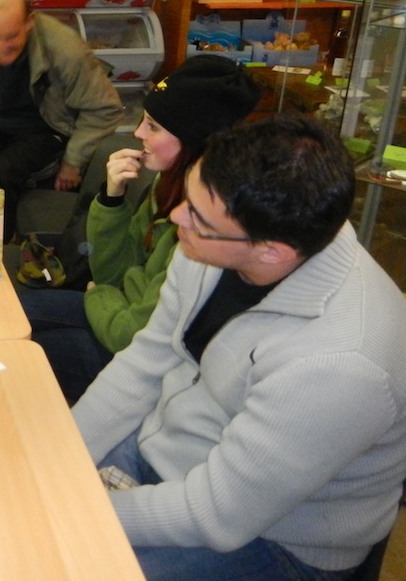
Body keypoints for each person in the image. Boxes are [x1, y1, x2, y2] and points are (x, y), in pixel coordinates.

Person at [72, 114, 406, 581]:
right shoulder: (218, 240)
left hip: (275, 538)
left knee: (61, 559)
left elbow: (214, 515)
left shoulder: (342, 364)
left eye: (198, 217)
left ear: (271, 252)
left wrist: (72, 511)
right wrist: (64, 462)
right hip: (172, 448)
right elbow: (145, 361)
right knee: (25, 494)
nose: (176, 217)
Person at [19, 55, 260, 403]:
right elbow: (113, 272)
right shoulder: (167, 183)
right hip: (117, 313)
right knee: (14, 316)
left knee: (24, 357)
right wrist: (111, 198)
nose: (137, 133)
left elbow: (131, 334)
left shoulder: (203, 228)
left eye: (153, 126)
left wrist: (98, 295)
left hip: (142, 362)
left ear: (193, 140)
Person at [0, 0, 123, 240]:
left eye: (11, 37)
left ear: (30, 23)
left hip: (44, 130)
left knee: (3, 176)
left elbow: (105, 108)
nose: (2, 47)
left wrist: (74, 161)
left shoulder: (65, 49)